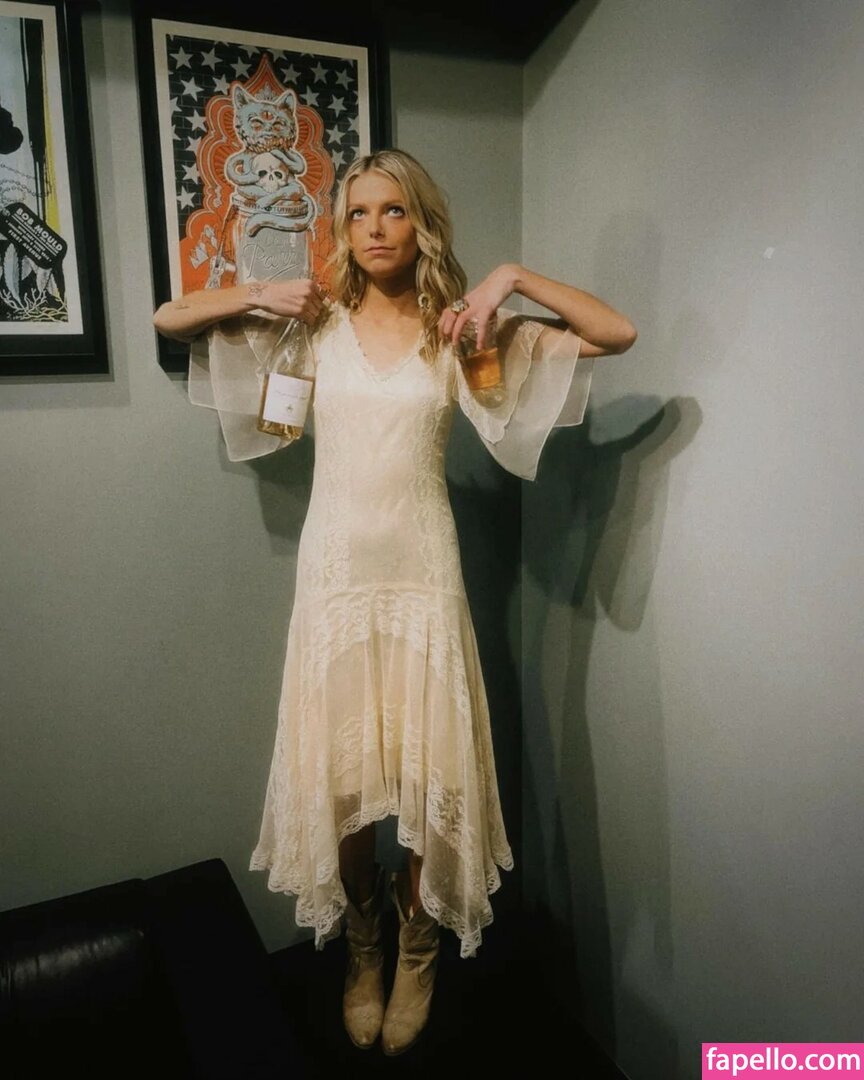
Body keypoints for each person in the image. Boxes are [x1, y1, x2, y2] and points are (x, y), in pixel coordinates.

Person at [153, 148, 637, 1055]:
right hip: (335, 574)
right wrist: (262, 293)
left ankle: (418, 949)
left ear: (422, 224)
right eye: (359, 213)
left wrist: (508, 278)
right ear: (342, 229)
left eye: (394, 211)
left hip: (422, 571)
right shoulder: (313, 327)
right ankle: (363, 945)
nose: (375, 228)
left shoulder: (459, 331)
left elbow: (616, 334)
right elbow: (170, 318)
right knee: (344, 780)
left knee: (425, 772)